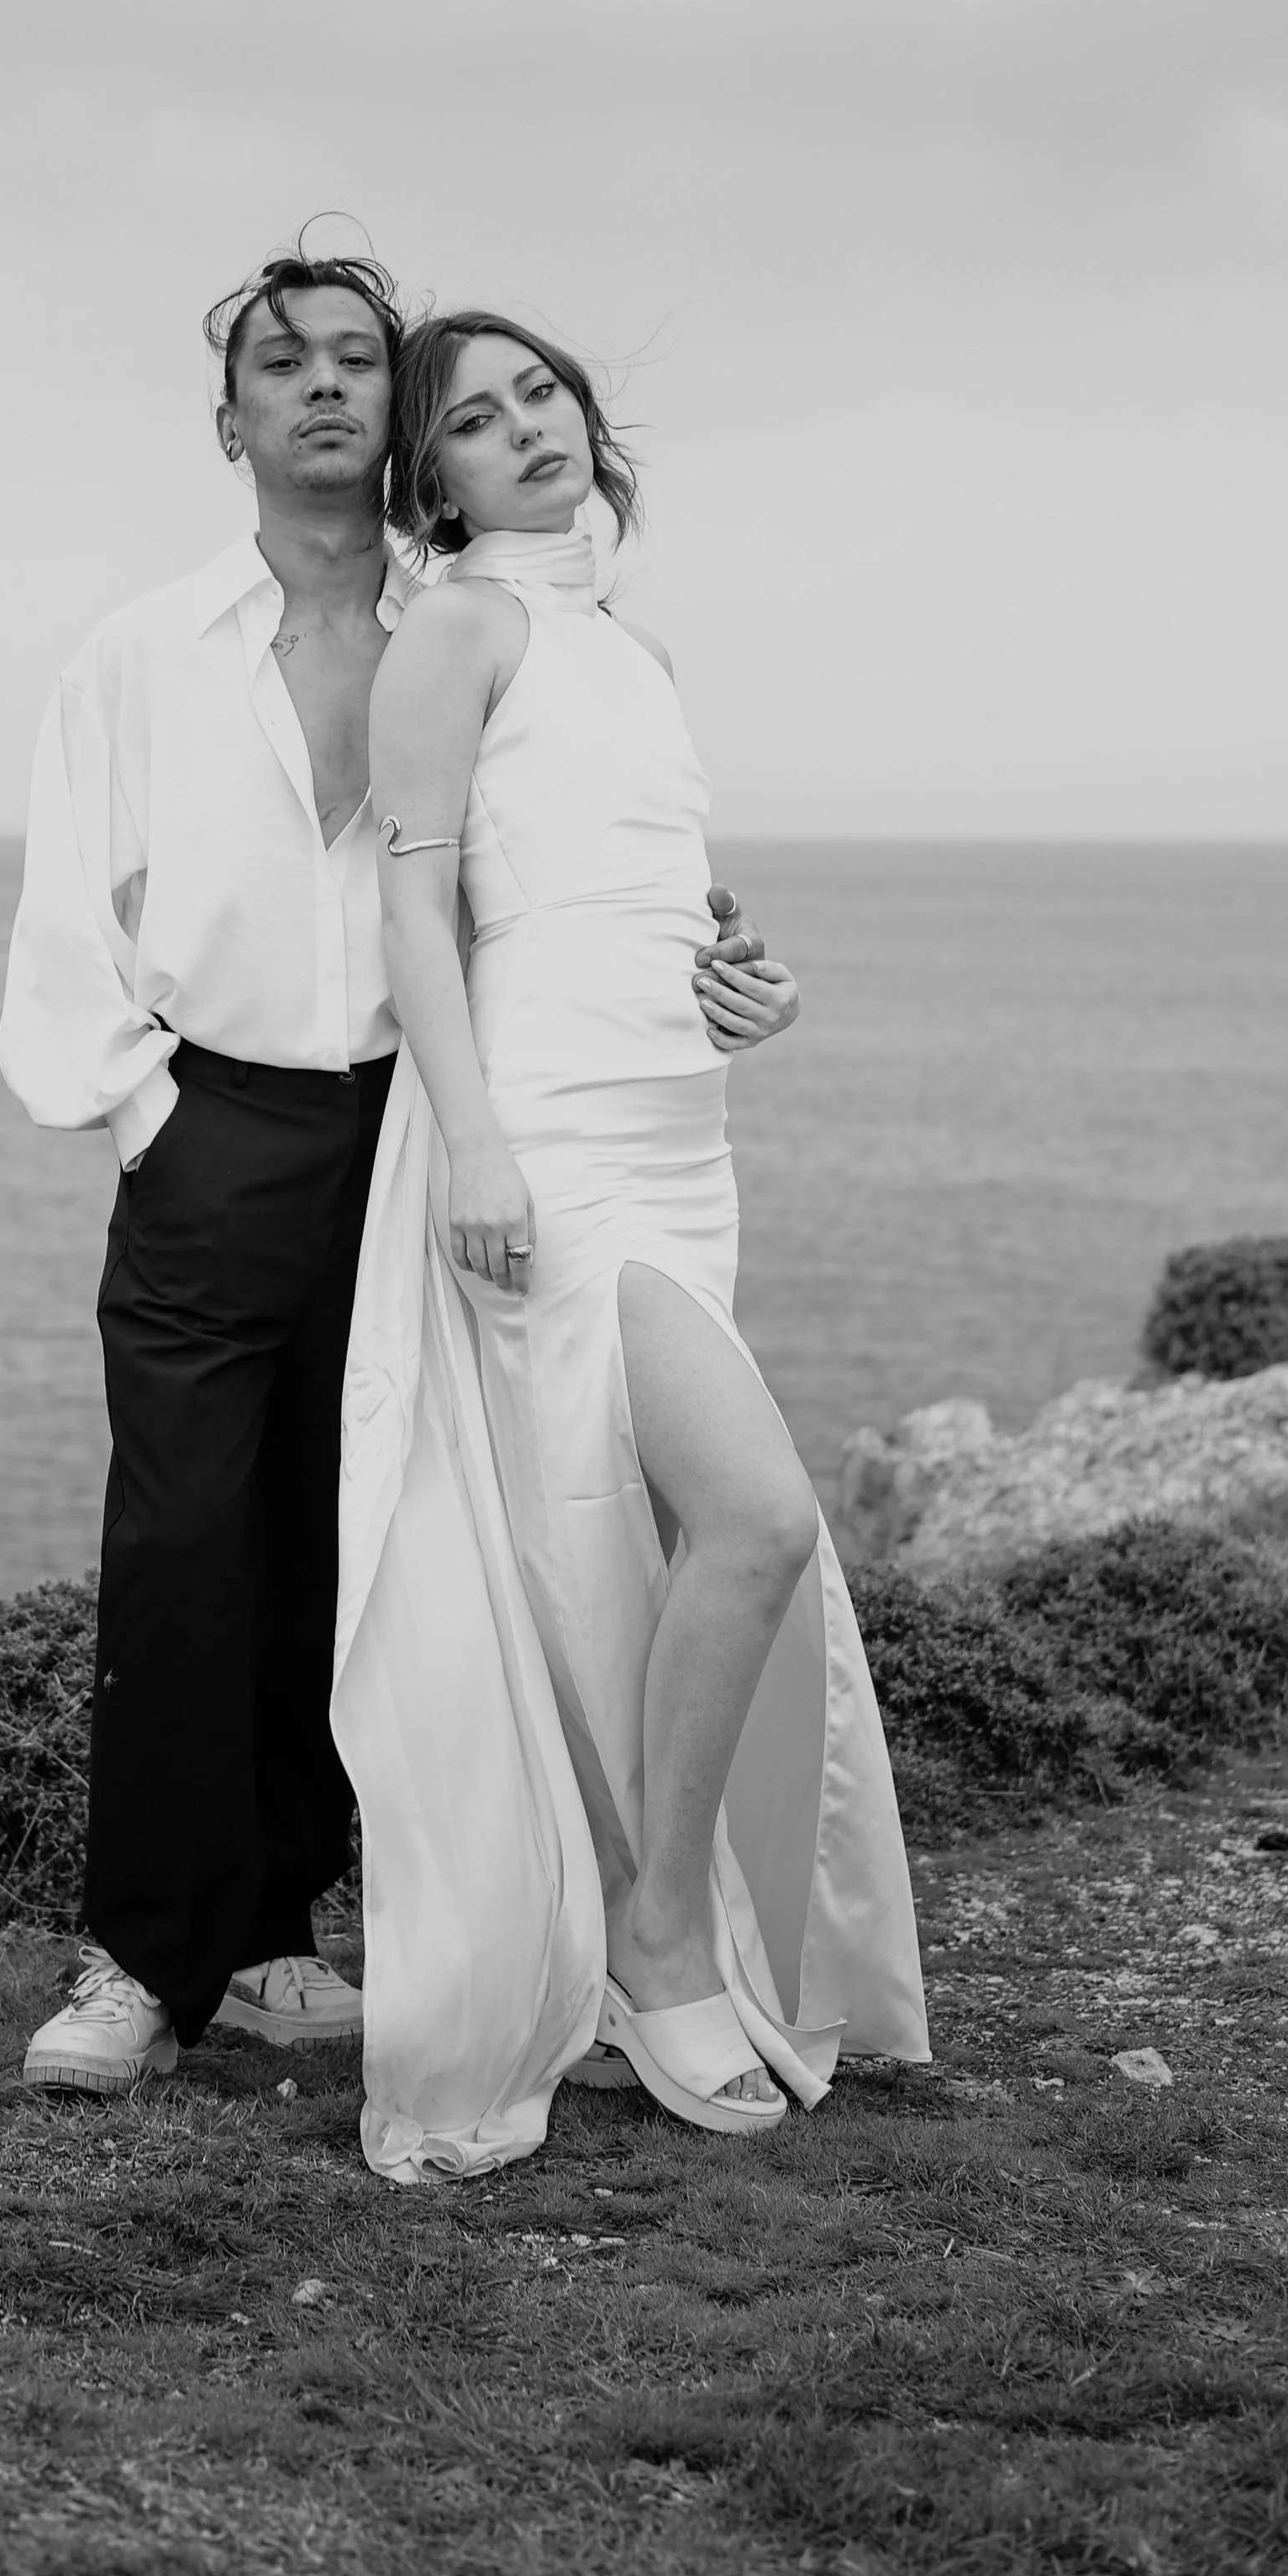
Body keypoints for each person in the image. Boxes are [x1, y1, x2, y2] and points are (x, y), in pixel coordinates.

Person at [0, 246, 786, 2099]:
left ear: (397, 414)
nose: (327, 388)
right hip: (222, 1126)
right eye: (287, 367)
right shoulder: (141, 650)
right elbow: (60, 911)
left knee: (371, 1547)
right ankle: (136, 1960)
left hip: (431, 1125)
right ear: (233, 420)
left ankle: (279, 1937)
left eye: (359, 358)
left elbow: (561, 863)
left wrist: (702, 952)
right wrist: (144, 1109)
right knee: (185, 1534)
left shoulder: (482, 619)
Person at [333, 309, 929, 2181]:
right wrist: (479, 1152)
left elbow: (629, 891)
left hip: (682, 1134)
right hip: (547, 1143)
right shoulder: (454, 628)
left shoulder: (629, 649)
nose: (525, 433)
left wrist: (738, 982)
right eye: (474, 423)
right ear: (427, 483)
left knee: (665, 1543)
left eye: (543, 398)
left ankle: (642, 1928)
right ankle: (654, 1929)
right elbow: (414, 918)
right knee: (748, 1521)